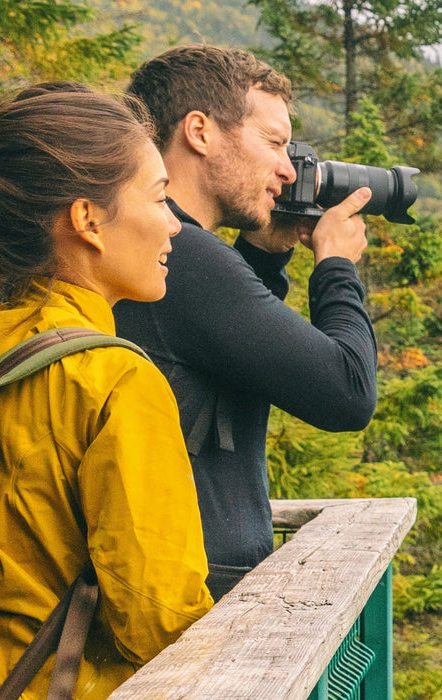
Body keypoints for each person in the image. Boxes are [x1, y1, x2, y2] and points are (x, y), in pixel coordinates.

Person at [0, 89, 213, 699]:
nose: (174, 224)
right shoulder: (116, 381)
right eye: (159, 197)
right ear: (87, 220)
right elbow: (161, 618)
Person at [114, 45, 379, 600]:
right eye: (274, 143)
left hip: (174, 585)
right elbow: (349, 393)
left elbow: (220, 359)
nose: (288, 169)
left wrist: (262, 254)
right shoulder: (185, 256)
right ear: (200, 132)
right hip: (191, 605)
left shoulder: (156, 250)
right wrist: (336, 267)